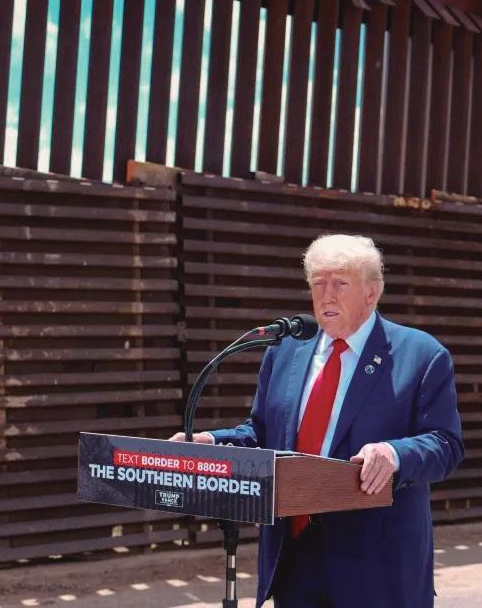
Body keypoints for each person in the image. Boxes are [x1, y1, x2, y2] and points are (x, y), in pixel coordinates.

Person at [170, 233, 464, 608]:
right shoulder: (285, 351)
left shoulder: (421, 355)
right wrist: (212, 442)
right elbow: (261, 432)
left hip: (376, 562)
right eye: (318, 283)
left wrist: (393, 454)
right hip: (295, 554)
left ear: (372, 293)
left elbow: (445, 443)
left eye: (340, 284)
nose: (327, 296)